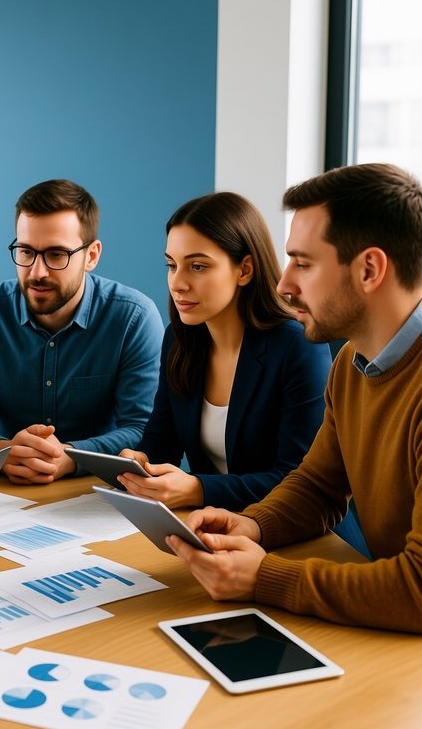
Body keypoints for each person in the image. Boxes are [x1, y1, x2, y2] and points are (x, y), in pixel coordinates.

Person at [167, 163, 422, 633]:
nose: (284, 284)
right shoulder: (351, 364)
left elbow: (420, 587)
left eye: (303, 263)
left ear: (369, 270)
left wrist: (263, 577)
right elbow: (318, 486)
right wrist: (252, 525)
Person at [0, 178, 164, 484]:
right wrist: (2, 451)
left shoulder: (134, 318)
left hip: (98, 489)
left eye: (57, 254)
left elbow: (143, 427)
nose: (37, 272)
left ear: (91, 255)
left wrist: (71, 456)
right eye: (26, 252)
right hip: (7, 490)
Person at [118, 192, 331, 509]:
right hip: (212, 523)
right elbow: (161, 441)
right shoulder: (179, 340)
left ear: (244, 270)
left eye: (198, 266)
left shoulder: (297, 346)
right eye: (172, 265)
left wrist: (199, 490)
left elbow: (298, 480)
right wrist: (140, 460)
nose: (177, 283)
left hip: (296, 528)